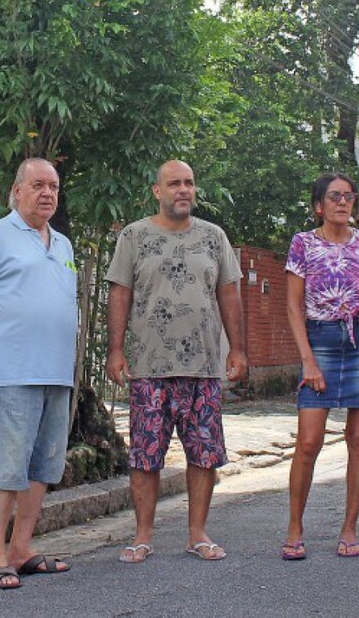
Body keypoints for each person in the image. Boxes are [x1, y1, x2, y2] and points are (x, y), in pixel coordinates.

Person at [105, 160, 249, 564]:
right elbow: (119, 295)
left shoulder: (213, 237)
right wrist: (115, 350)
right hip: (148, 366)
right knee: (145, 454)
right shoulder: (134, 236)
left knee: (204, 453)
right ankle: (143, 535)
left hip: (203, 367)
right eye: (174, 184)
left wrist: (237, 348)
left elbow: (230, 296)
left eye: (188, 183)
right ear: (157, 191)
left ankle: (197, 533)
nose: (183, 190)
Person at [0, 158, 79, 591]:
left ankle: (22, 549)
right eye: (37, 185)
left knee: (44, 466)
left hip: (57, 372)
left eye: (53, 186)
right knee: (7, 467)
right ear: (17, 190)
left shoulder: (63, 245)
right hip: (13, 372)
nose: (47, 193)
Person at [284, 172, 359, 561]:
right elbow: (292, 305)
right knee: (308, 441)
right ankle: (294, 527)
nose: (342, 201)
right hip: (319, 339)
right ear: (319, 206)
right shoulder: (303, 243)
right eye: (334, 196)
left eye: (348, 196)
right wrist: (307, 360)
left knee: (358, 439)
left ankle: (350, 527)